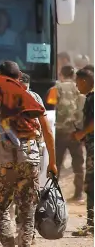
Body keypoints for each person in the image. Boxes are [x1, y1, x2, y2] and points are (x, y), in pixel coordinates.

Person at [0, 61, 57, 247]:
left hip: (5, 159)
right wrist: (52, 162)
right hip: (30, 156)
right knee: (27, 209)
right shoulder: (33, 97)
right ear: (19, 76)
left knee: (1, 207)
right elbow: (47, 131)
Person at [47, 66, 85, 201]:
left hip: (61, 131)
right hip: (76, 132)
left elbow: (50, 105)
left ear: (60, 74)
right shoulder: (80, 88)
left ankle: (52, 194)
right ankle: (79, 194)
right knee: (78, 165)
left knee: (55, 162)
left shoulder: (56, 88)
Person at [71, 67, 94, 237]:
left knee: (91, 185)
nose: (76, 86)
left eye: (77, 82)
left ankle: (91, 225)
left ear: (84, 81)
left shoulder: (92, 99)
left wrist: (82, 133)